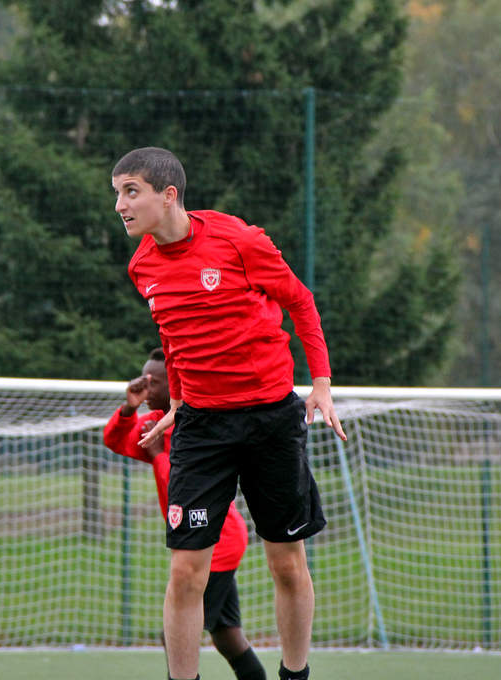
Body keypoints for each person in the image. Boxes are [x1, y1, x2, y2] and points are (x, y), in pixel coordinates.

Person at [111, 146, 348, 680]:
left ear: (168, 195)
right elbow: (173, 335)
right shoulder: (141, 267)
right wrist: (176, 399)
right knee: (186, 572)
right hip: (202, 427)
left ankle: (294, 676)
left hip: (270, 418)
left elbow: (301, 302)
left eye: (131, 191)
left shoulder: (238, 240)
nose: (120, 205)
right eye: (116, 193)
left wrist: (322, 385)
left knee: (286, 562)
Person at [104, 348, 266, 680]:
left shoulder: (197, 425)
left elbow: (184, 485)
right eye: (143, 380)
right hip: (202, 540)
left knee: (175, 632)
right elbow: (116, 441)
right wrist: (128, 408)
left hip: (217, 540)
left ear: (177, 384)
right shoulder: (153, 424)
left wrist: (159, 456)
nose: (146, 388)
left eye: (154, 383)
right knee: (227, 637)